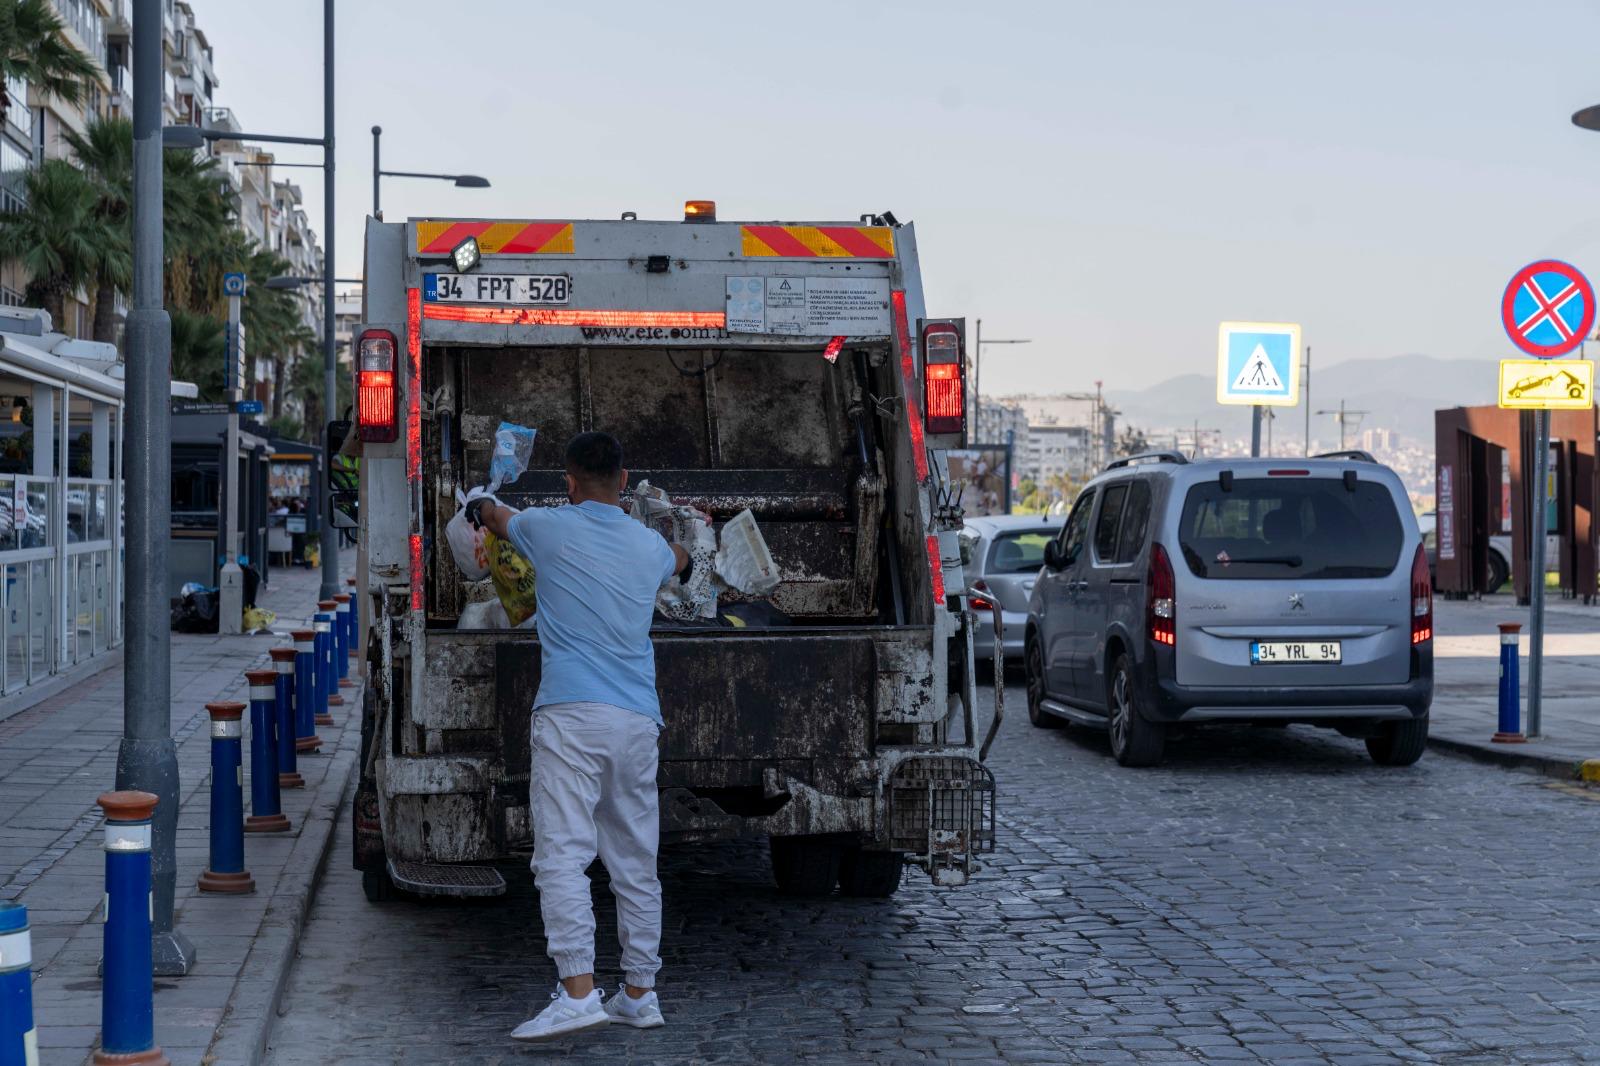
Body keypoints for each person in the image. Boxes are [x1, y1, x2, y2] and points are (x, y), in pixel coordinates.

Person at [466, 431, 690, 1042]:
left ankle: (578, 992)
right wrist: (684, 537)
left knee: (562, 855)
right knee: (635, 860)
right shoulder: (647, 546)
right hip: (637, 719)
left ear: (568, 482)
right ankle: (639, 993)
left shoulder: (547, 528)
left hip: (570, 714)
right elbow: (681, 559)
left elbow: (494, 517)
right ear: (623, 483)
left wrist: (478, 503)